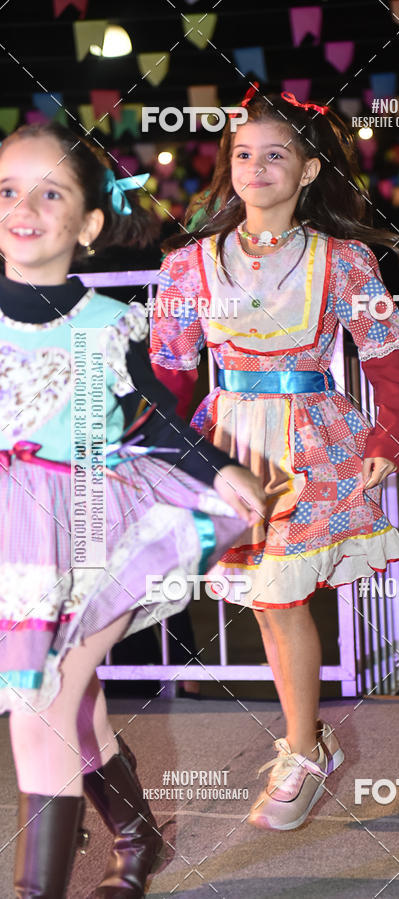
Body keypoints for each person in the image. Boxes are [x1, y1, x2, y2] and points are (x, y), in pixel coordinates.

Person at [0, 122, 266, 898]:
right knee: (76, 703)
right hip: (12, 542)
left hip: (91, 525)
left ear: (86, 225)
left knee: (43, 705)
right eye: (9, 190)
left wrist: (219, 470)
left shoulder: (102, 323)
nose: (26, 206)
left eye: (51, 193)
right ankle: (136, 835)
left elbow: (153, 415)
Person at [150, 85, 399, 831]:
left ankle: (302, 747)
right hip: (228, 440)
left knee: (280, 597)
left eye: (276, 154)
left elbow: (386, 357)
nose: (257, 166)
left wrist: (388, 437)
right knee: (267, 598)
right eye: (243, 153)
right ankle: (309, 743)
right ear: (227, 167)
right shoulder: (187, 266)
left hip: (311, 439)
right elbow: (170, 371)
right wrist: (159, 450)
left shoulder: (346, 260)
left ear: (306, 172)